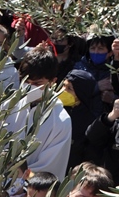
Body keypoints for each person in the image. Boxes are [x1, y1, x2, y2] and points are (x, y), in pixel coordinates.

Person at [5, 45, 72, 178]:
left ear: (52, 82)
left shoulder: (60, 120)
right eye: (26, 81)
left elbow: (49, 167)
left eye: (37, 83)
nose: (29, 87)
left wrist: (17, 178)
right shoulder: (9, 105)